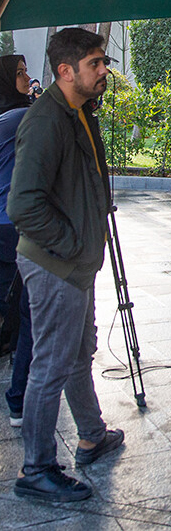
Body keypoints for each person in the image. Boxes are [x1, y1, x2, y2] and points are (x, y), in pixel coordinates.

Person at [7, 28, 124, 502]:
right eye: (96, 64)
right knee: (50, 365)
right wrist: (74, 244)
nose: (104, 71)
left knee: (78, 354)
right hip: (56, 264)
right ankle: (35, 469)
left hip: (75, 263)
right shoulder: (46, 119)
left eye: (104, 62)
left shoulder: (79, 113)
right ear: (65, 71)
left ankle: (92, 434)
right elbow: (23, 205)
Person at [0, 55, 33, 428]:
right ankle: (20, 398)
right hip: (14, 224)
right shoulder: (19, 118)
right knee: (29, 313)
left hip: (5, 221)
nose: (26, 78)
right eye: (19, 73)